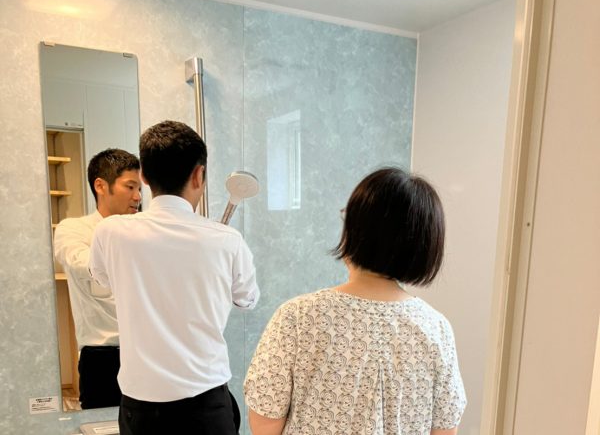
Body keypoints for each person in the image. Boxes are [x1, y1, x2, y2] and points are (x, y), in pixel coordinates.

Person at [244, 167, 467, 435]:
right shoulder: (436, 329)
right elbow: (444, 429)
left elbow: (265, 422)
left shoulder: (298, 317)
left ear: (356, 231)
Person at [89, 120, 260, 435]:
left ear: (144, 176)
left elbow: (102, 279)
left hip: (140, 410)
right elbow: (247, 299)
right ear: (198, 175)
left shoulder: (110, 232)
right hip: (205, 407)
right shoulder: (227, 240)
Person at [53, 148, 141, 409]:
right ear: (101, 186)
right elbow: (81, 262)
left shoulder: (145, 231)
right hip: (102, 358)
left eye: (140, 189)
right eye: (130, 187)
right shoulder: (73, 229)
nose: (138, 197)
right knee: (100, 423)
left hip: (148, 352)